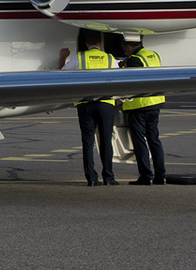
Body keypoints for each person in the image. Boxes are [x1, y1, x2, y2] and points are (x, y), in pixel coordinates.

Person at [57, 29, 117, 186]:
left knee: (88, 141)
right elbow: (118, 80)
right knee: (106, 141)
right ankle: (109, 177)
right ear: (100, 43)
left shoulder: (79, 57)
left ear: (86, 43)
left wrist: (62, 58)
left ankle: (91, 177)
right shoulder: (110, 58)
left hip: (86, 104)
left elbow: (62, 74)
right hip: (105, 104)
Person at [117, 37, 166, 185]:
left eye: (125, 47)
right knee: (154, 139)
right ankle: (160, 175)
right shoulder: (153, 55)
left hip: (139, 106)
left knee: (139, 142)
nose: (124, 50)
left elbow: (129, 83)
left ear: (130, 46)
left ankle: (145, 175)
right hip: (155, 103)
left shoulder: (134, 60)